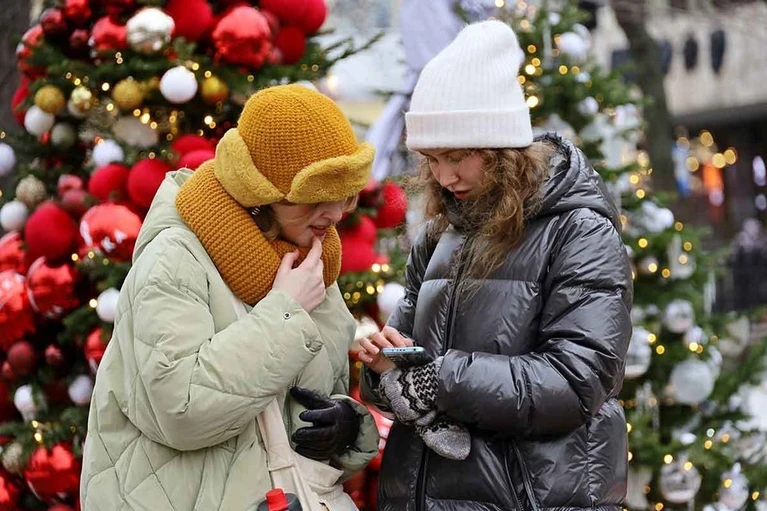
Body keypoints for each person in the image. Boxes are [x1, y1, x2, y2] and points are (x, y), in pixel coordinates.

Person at [358, 20, 633, 511]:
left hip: (532, 496)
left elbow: (578, 380)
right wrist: (384, 369)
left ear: (503, 149)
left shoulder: (579, 232)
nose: (444, 176)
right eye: (431, 159)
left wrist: (438, 379)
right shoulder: (440, 235)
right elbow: (409, 357)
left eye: (456, 156)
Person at [81, 84, 380, 510]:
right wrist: (285, 314)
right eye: (315, 198)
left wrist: (346, 428)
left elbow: (295, 407)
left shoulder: (308, 261)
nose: (334, 214)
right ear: (260, 194)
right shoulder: (176, 258)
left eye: (344, 196)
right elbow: (180, 409)